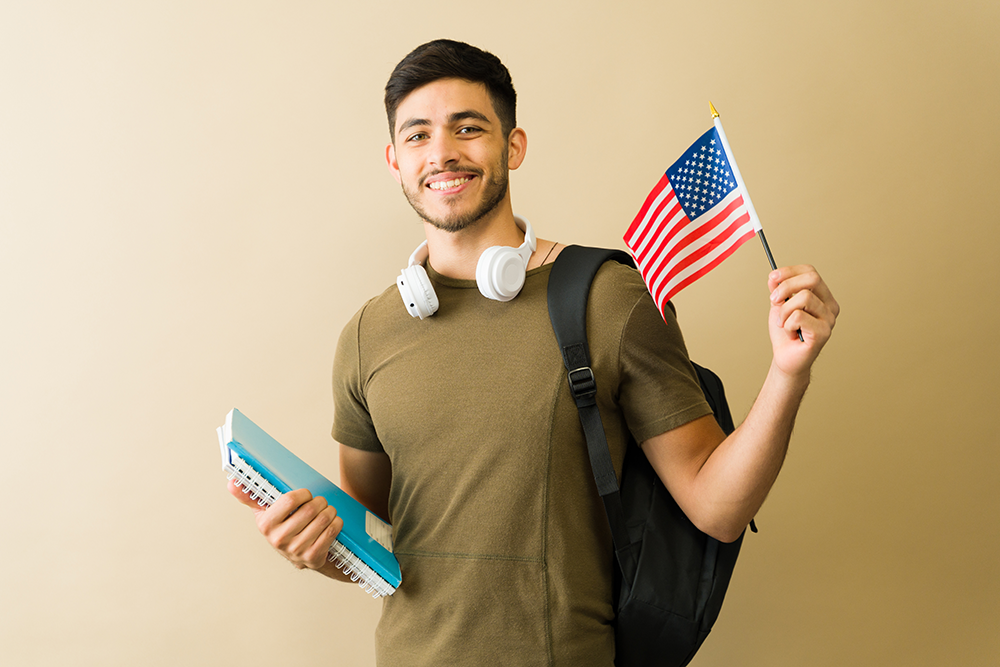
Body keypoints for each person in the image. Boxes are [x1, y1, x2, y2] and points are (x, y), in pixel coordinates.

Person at [228, 38, 839, 666]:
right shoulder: (367, 335)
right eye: (417, 136)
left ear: (513, 146)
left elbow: (717, 508)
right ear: (394, 160)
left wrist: (788, 374)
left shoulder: (607, 299)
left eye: (468, 128)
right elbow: (376, 548)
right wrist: (311, 546)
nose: (442, 152)